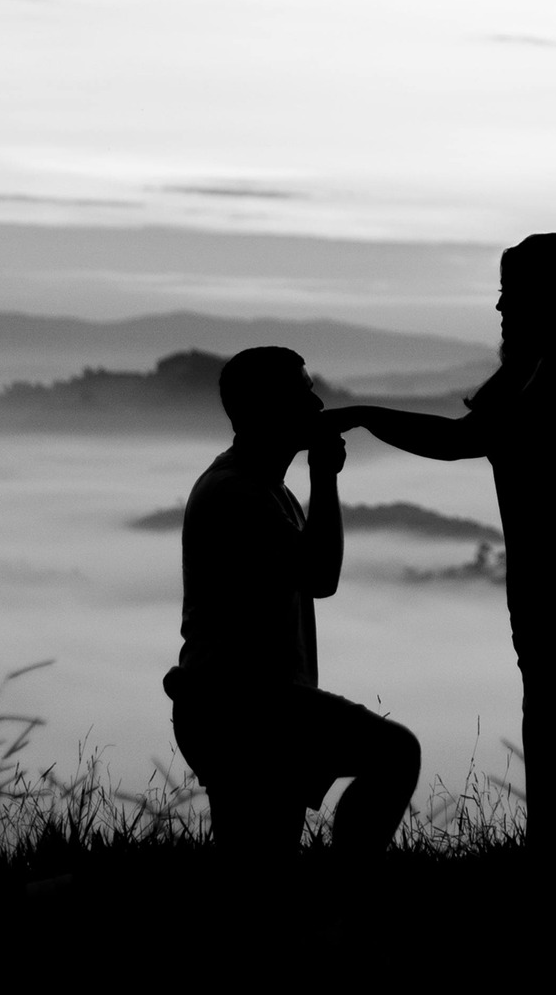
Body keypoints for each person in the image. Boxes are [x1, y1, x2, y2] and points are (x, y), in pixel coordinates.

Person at [325, 233, 556, 861]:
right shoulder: (552, 365)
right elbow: (473, 436)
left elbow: (465, 440)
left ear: (549, 299)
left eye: (512, 293)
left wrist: (364, 416)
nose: (500, 307)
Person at [163, 346, 421, 860]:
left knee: (259, 871)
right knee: (395, 752)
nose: (318, 405)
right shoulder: (240, 494)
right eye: (303, 394)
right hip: (246, 708)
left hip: (235, 705)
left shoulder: (259, 485)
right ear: (267, 408)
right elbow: (321, 576)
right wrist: (324, 475)